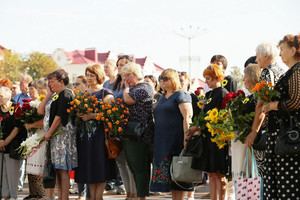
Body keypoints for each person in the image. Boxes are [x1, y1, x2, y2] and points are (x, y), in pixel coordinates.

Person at [260, 34, 300, 199]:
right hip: (279, 136)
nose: (280, 53)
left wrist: (273, 105)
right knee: (279, 184)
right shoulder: (290, 72)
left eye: (282, 49)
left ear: (293, 50)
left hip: (288, 137)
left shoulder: (298, 70)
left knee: (289, 186)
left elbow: (297, 101)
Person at [150, 69, 193, 200]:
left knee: (178, 175)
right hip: (162, 141)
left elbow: (187, 117)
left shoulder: (181, 95)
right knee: (169, 177)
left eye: (165, 78)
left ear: (173, 79)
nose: (162, 80)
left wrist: (187, 138)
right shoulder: (161, 97)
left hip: (176, 140)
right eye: (160, 78)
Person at [188, 64, 229, 200]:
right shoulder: (209, 94)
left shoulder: (222, 92)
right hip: (207, 137)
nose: (206, 81)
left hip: (217, 138)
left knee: (218, 173)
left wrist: (198, 127)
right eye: (205, 78)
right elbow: (203, 115)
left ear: (217, 77)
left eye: (209, 78)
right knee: (211, 173)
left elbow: (219, 116)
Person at [245, 42, 286, 177]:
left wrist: (254, 131)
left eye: (258, 57)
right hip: (284, 129)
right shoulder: (283, 71)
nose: (256, 60)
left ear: (266, 56)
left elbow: (261, 106)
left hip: (270, 130)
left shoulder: (267, 73)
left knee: (266, 175)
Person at [75, 64, 114, 200]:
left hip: (99, 136)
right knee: (89, 165)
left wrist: (93, 115)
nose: (89, 78)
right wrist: (78, 113)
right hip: (84, 136)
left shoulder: (105, 93)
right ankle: (92, 197)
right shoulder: (83, 94)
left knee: (100, 165)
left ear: (99, 76)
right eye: (88, 75)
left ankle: (99, 196)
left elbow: (111, 114)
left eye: (92, 75)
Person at [43, 69, 78, 200]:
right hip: (56, 137)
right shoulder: (56, 95)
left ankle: (65, 197)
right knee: (57, 168)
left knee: (62, 169)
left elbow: (59, 116)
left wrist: (49, 132)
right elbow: (42, 111)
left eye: (52, 82)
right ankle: (60, 197)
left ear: (61, 82)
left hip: (63, 137)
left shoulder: (66, 93)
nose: (50, 84)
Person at [122, 63, 154, 200]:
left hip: (140, 133)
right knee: (134, 167)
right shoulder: (136, 88)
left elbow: (128, 100)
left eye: (128, 75)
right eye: (124, 76)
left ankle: (142, 197)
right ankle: (140, 196)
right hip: (131, 132)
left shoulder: (144, 87)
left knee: (140, 167)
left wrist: (125, 89)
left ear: (136, 74)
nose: (126, 79)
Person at [112, 56, 137, 200]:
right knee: (120, 162)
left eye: (124, 65)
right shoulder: (115, 84)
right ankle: (128, 193)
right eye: (119, 65)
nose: (120, 67)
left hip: (129, 126)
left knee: (130, 162)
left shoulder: (132, 84)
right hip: (116, 126)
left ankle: (134, 193)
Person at [0, 87, 27, 200]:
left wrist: (6, 141)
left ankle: (13, 196)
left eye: (1, 96)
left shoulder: (16, 108)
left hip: (12, 145)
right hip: (0, 145)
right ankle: (4, 195)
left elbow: (17, 127)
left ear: (8, 96)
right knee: (2, 175)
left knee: (12, 174)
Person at [23, 80, 47, 200]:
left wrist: (32, 124)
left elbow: (46, 122)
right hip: (32, 137)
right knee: (31, 165)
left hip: (42, 136)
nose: (30, 91)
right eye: (29, 89)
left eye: (33, 89)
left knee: (39, 164)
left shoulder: (45, 102)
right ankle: (33, 192)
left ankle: (40, 193)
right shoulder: (33, 103)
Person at [178, 71, 200, 200]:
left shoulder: (192, 97)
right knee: (181, 163)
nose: (180, 82)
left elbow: (196, 116)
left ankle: (190, 194)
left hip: (192, 133)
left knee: (190, 163)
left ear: (187, 82)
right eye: (178, 80)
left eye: (182, 80)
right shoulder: (175, 96)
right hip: (178, 133)